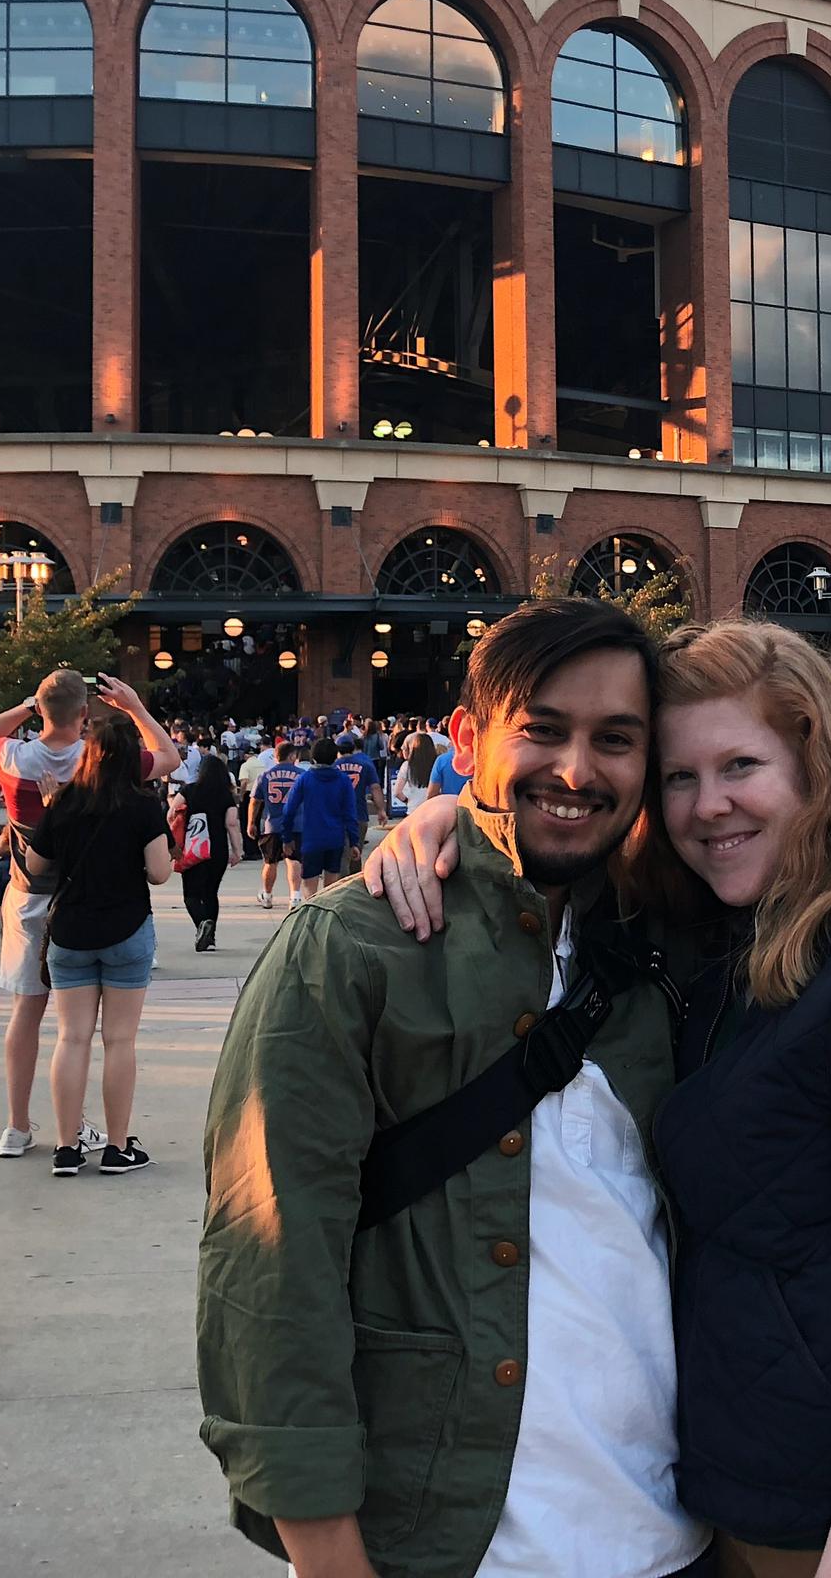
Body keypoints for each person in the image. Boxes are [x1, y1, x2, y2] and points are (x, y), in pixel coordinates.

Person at [359, 616, 831, 1577]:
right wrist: (456, 818)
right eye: (679, 776)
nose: (709, 805)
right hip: (738, 1499)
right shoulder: (723, 944)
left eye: (741, 766)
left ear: (816, 766)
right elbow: (560, 843)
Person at [198, 599, 713, 1578]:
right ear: (470, 737)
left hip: (676, 1539)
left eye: (615, 739)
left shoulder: (673, 947)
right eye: (543, 730)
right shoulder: (350, 950)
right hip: (454, 1545)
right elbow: (269, 1271)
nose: (576, 768)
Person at [0, 669, 177, 1160]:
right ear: (86, 714)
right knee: (101, 1033)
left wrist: (28, 704)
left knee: (31, 1011)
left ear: (42, 712)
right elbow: (169, 756)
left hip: (32, 894)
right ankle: (97, 1131)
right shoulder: (103, 761)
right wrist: (133, 707)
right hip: (95, 899)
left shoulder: (15, 759)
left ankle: (18, 1126)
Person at [21, 707, 174, 1176]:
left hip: (71, 931)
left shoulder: (65, 803)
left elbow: (36, 866)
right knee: (120, 1040)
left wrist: (52, 819)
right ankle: (118, 1146)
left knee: (71, 1038)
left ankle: (67, 1147)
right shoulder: (144, 806)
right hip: (127, 928)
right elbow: (160, 873)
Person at [174, 740, 238, 952]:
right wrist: (237, 850)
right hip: (216, 849)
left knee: (190, 894)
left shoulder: (189, 791)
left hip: (192, 847)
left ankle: (202, 923)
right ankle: (209, 937)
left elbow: (171, 813)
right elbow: (231, 823)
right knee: (211, 892)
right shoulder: (226, 795)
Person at [279, 737, 357, 898]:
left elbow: (289, 810)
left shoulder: (304, 779)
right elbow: (350, 813)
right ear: (335, 757)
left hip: (311, 839)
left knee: (309, 887)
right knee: (331, 888)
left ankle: (311, 917)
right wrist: (354, 842)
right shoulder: (343, 780)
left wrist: (287, 837)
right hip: (335, 838)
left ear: (313, 756)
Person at [246, 738, 303, 910]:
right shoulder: (302, 775)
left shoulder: (264, 776)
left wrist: (251, 822)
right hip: (297, 824)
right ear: (292, 755)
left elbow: (255, 801)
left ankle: (267, 895)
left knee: (270, 862)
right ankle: (295, 897)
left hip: (273, 824)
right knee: (294, 861)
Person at [334, 730, 387, 871]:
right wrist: (381, 810)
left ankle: (341, 884)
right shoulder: (365, 765)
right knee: (356, 852)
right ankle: (354, 881)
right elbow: (375, 788)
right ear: (353, 748)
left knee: (340, 856)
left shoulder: (333, 766)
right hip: (359, 813)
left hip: (336, 816)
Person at [389, 728, 436, 818]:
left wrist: (407, 800)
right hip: (432, 810)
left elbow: (397, 792)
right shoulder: (436, 763)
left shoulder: (407, 765)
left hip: (413, 810)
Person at [423, 724, 470, 801]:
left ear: (451, 738)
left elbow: (431, 794)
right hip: (473, 809)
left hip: (448, 807)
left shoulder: (441, 760)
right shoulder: (480, 761)